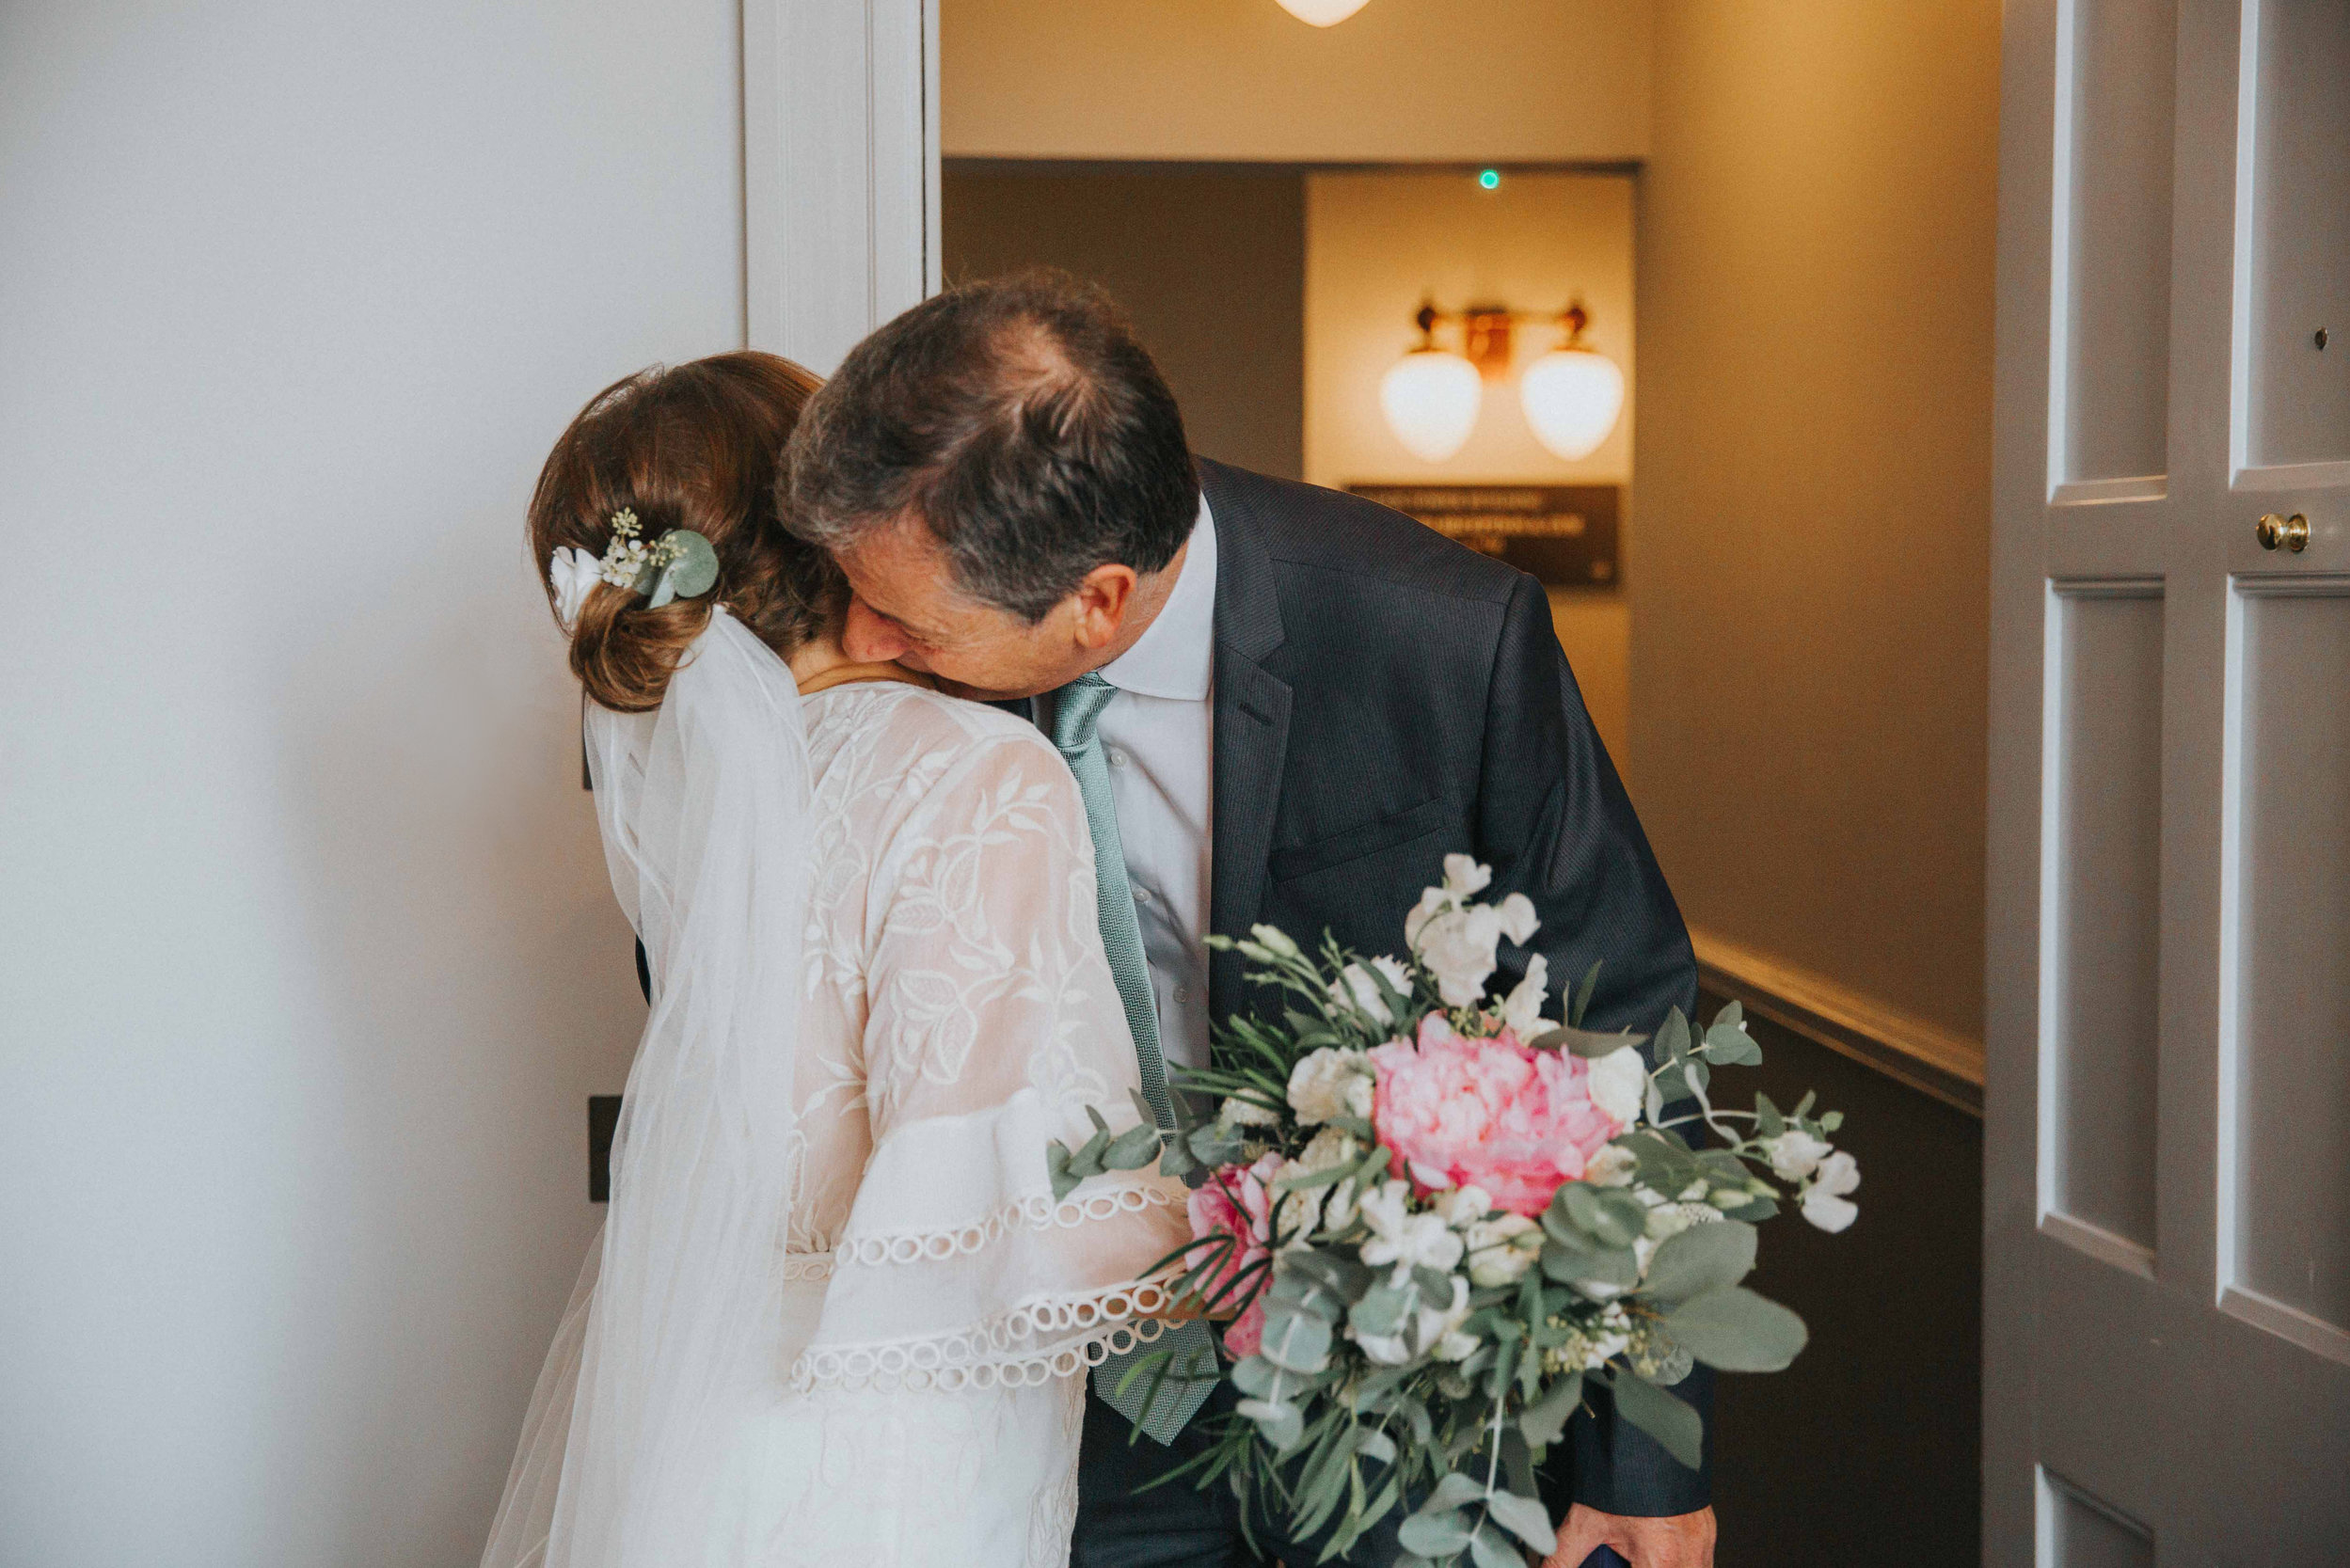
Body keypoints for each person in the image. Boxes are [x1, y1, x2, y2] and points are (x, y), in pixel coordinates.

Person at [782, 270, 1718, 1568]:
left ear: (1097, 602)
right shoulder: (882, 689)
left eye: (905, 614)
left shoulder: (1445, 640)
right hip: (1063, 1398)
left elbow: (1623, 1020)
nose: (857, 637)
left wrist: (1644, 1462)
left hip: (1397, 1400)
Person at [480, 351, 1189, 1568]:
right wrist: (1281, 1223)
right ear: (832, 524)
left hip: (692, 1416)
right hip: (892, 1460)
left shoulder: (708, 808)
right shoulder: (979, 772)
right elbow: (1002, 1222)